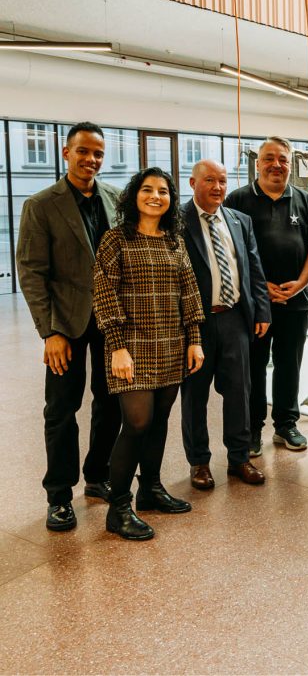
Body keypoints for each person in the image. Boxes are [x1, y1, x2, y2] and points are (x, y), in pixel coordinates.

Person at [16, 122, 123, 531]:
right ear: (66, 153)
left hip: (111, 320)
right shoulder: (42, 205)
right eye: (83, 151)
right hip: (66, 321)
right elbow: (31, 272)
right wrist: (50, 332)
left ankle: (98, 475)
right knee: (61, 409)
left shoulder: (115, 198)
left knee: (110, 402)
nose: (91, 159)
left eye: (98, 153)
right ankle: (59, 496)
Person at [92, 168, 205, 540]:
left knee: (159, 421)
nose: (156, 196)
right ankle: (118, 508)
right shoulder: (116, 239)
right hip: (131, 346)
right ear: (134, 196)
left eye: (163, 191)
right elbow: (104, 294)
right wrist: (117, 346)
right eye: (147, 189)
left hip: (171, 343)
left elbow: (189, 291)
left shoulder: (174, 241)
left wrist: (194, 339)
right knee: (137, 423)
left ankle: (151, 489)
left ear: (171, 199)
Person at [225, 137, 308, 455]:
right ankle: (253, 428)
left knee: (288, 364)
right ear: (258, 163)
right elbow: (229, 249)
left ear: (290, 164)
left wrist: (301, 283)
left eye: (282, 159)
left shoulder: (305, 201)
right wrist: (259, 285)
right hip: (254, 303)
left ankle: (286, 425)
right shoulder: (238, 200)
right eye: (269, 158)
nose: (276, 165)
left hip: (296, 301)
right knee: (253, 367)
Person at [180, 160, 272, 490]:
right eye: (209, 180)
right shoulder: (177, 221)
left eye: (222, 181)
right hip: (195, 324)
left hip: (235, 318)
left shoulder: (239, 220)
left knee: (239, 392)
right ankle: (199, 462)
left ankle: (239, 458)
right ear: (193, 183)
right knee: (195, 395)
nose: (217, 187)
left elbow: (254, 269)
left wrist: (262, 311)